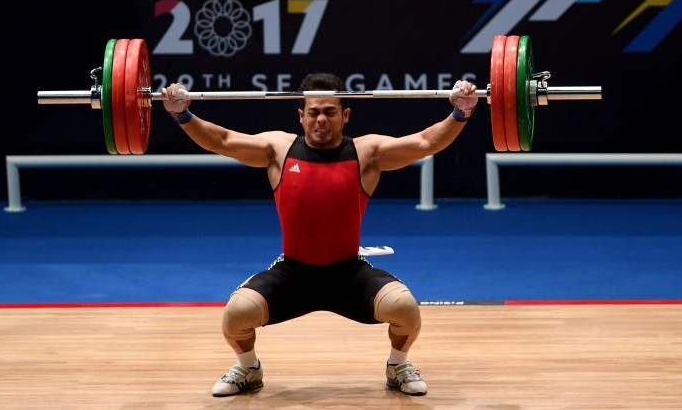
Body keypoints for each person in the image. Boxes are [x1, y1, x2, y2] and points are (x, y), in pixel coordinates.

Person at [161, 73, 478, 397]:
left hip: (349, 274)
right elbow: (223, 140)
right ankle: (248, 368)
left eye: (330, 111)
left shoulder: (368, 153)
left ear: (345, 115)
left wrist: (460, 113)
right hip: (293, 273)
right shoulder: (278, 150)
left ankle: (397, 366)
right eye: (314, 112)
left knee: (405, 308)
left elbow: (426, 142)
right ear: (301, 115)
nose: (321, 119)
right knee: (236, 315)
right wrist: (183, 114)